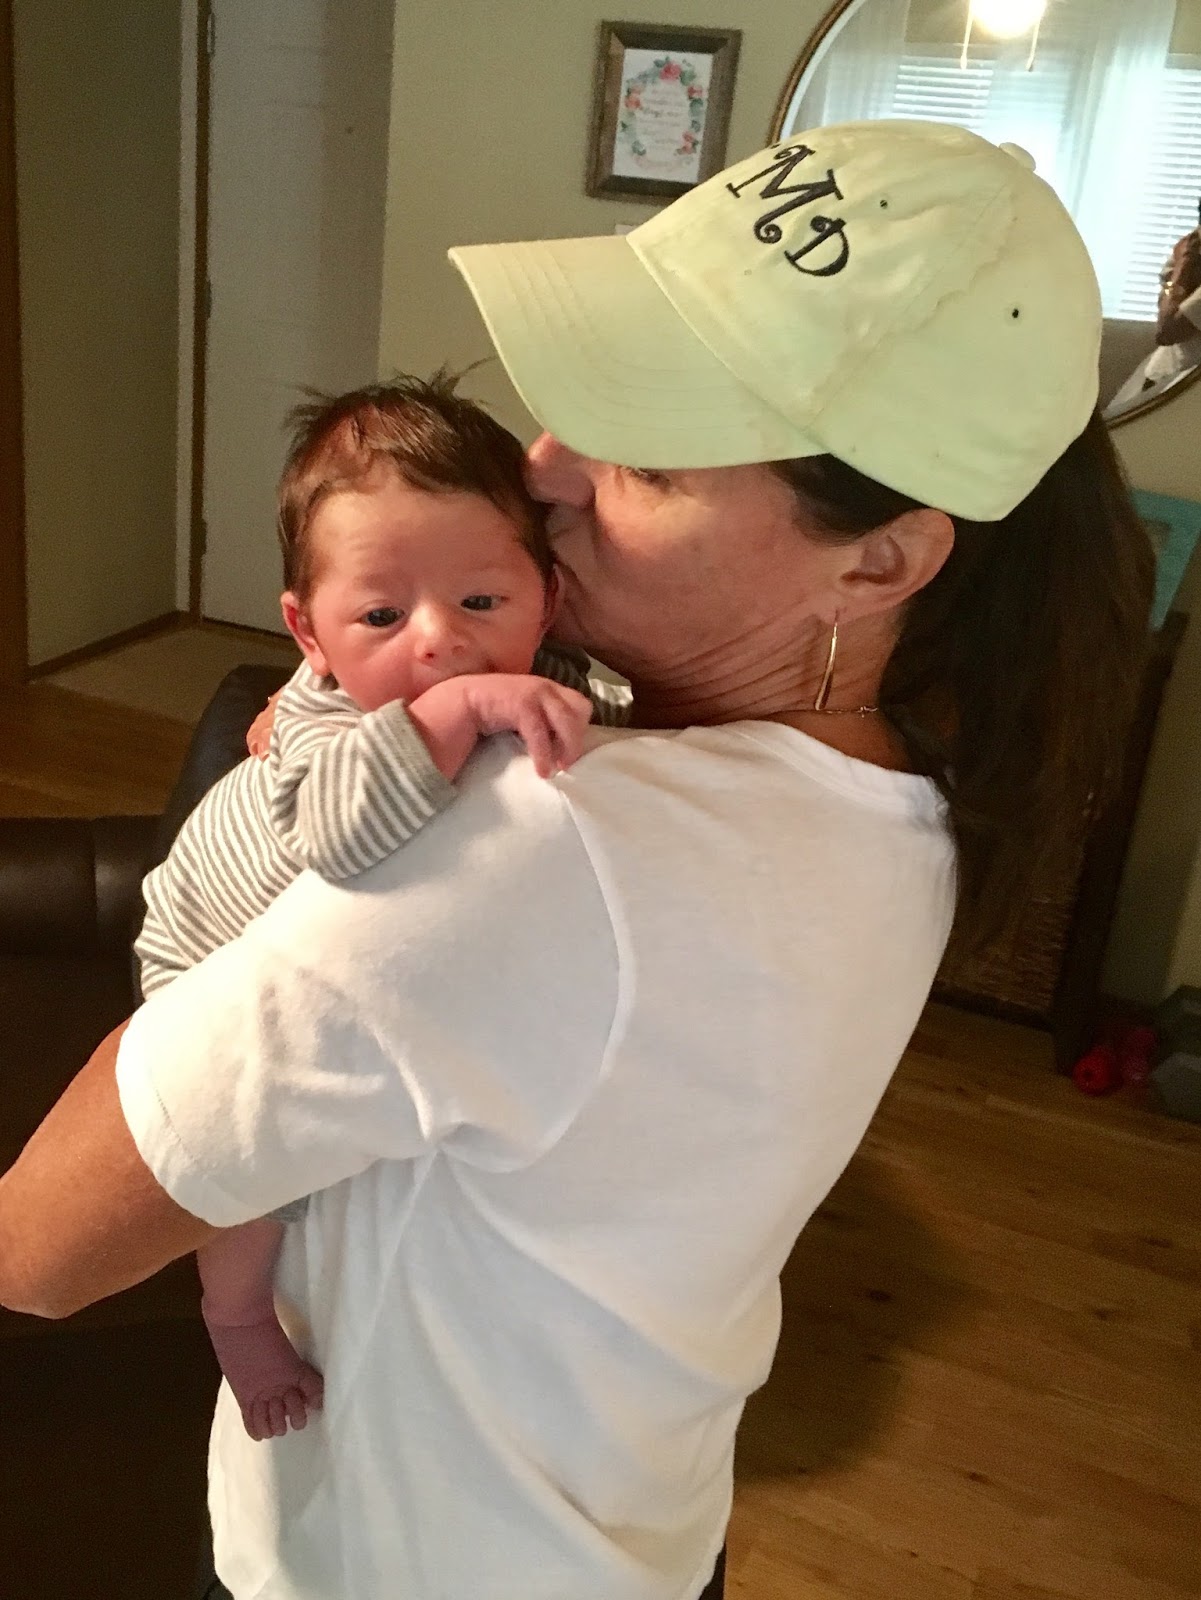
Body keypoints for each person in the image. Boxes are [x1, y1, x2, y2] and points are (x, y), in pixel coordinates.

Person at [0, 121, 1153, 1600]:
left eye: (648, 456)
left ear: (879, 561)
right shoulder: (907, 807)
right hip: (631, 1528)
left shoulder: (547, 835)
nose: (543, 466)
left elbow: (43, 1244)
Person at [138, 374, 612, 1440]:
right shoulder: (322, 724)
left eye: (482, 602)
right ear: (309, 636)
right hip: (199, 950)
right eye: (382, 617)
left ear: (547, 596)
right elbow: (338, 838)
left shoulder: (527, 662)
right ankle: (233, 1313)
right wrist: (463, 708)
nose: (438, 640)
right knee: (247, 1165)